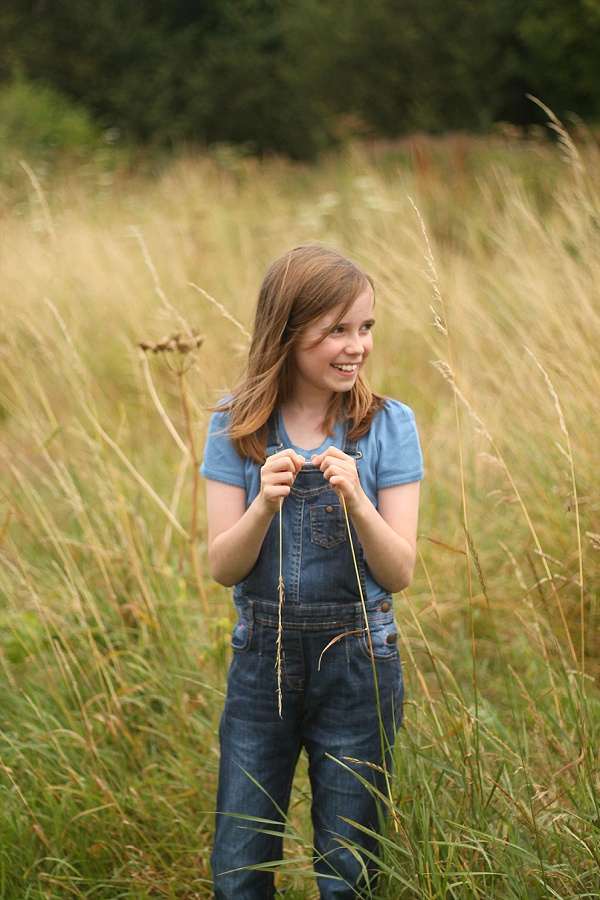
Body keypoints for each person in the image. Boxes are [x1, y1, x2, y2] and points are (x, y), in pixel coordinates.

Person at [200, 243, 423, 899]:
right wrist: (263, 506)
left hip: (359, 663)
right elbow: (223, 566)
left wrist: (357, 500)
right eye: (337, 330)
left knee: (349, 869)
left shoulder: (388, 426)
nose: (357, 346)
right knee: (239, 866)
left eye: (366, 327)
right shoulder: (236, 425)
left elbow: (399, 570)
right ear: (288, 332)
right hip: (261, 666)